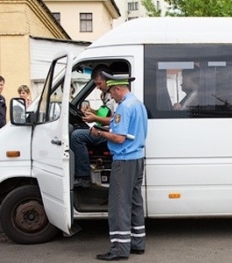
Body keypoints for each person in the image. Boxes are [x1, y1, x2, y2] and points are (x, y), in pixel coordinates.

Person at [91, 72, 148, 261]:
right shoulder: (138, 105)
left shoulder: (124, 107)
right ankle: (137, 243)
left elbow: (119, 137)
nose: (111, 97)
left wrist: (99, 133)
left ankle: (119, 249)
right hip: (138, 158)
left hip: (124, 161)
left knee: (119, 205)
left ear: (117, 89)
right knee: (135, 202)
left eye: (111, 93)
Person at [70, 65, 115, 188]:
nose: (98, 87)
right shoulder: (106, 94)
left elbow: (114, 120)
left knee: (76, 136)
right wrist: (92, 111)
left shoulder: (115, 94)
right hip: (105, 128)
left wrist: (95, 118)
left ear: (107, 79)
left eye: (99, 83)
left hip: (111, 133)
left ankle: (83, 176)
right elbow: (106, 113)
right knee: (79, 130)